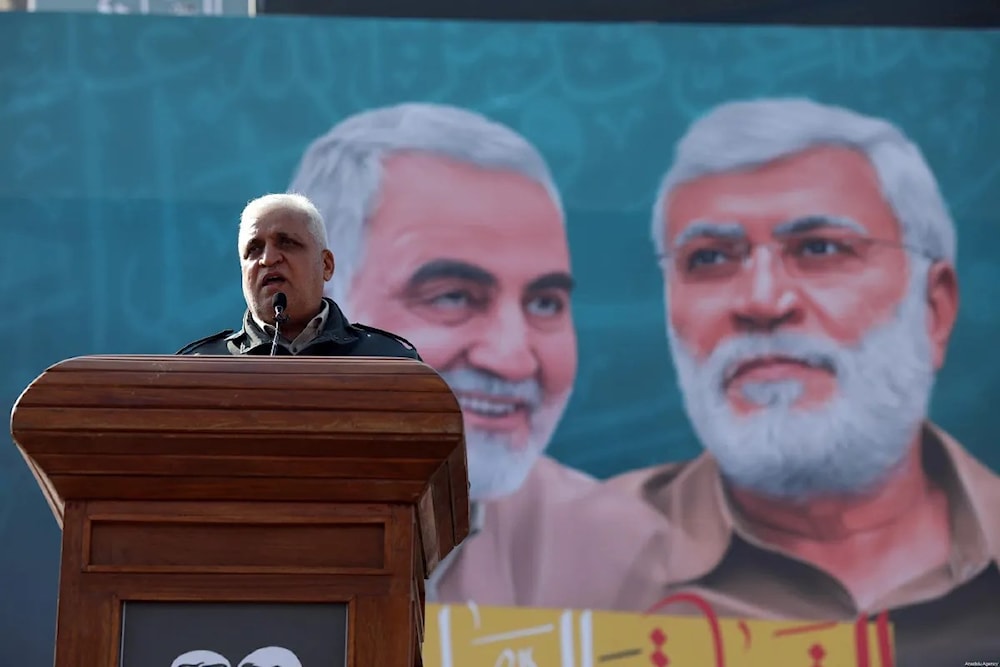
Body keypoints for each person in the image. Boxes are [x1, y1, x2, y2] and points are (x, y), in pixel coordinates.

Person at [608, 98, 1000, 664]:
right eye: (711, 258)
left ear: (933, 309)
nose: (762, 301)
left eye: (820, 249)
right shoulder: (561, 565)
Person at [288, 102, 658, 607]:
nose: (513, 359)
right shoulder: (204, 527)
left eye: (545, 302)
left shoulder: (626, 557)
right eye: (452, 296)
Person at [177, 193, 420, 361]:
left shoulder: (390, 360)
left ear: (326, 265)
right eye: (254, 249)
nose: (268, 259)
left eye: (287, 243)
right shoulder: (198, 367)